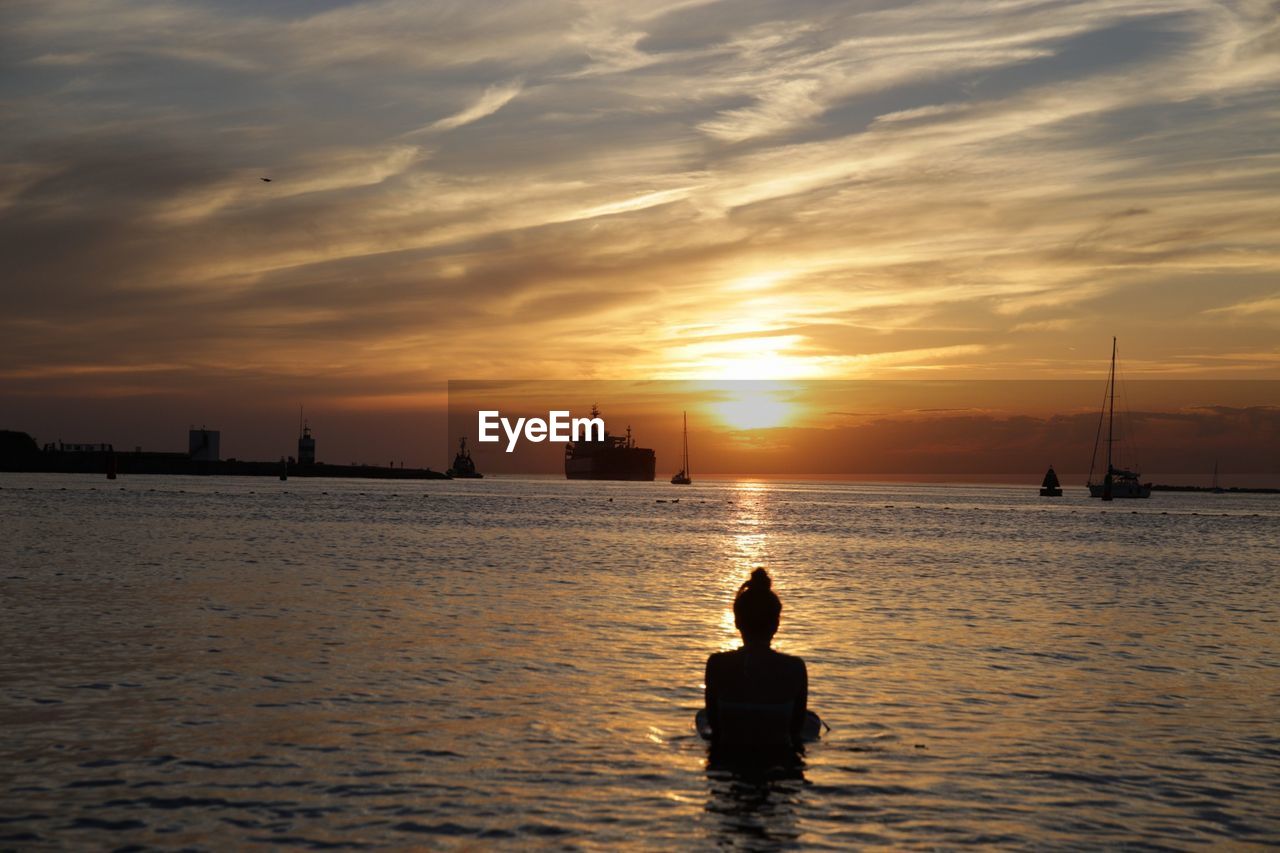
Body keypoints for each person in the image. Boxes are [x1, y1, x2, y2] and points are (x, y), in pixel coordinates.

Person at [704, 568, 808, 752]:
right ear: (776, 624)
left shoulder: (717, 664)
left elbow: (715, 729)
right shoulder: (795, 668)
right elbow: (795, 732)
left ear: (736, 621)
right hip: (780, 765)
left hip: (727, 766)